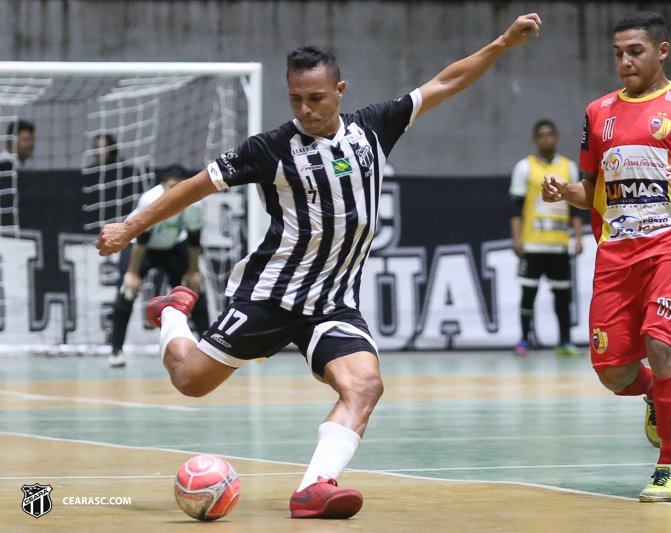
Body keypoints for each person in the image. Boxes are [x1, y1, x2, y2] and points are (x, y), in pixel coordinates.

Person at [96, 13, 543, 519]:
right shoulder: (269, 149)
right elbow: (194, 185)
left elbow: (446, 81)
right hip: (269, 296)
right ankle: (174, 312)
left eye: (316, 98)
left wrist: (504, 42)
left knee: (365, 385)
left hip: (332, 303)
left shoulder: (374, 127)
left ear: (339, 90)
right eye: (295, 99)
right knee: (189, 381)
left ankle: (314, 487)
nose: (305, 110)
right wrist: (129, 227)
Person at [542, 11, 671, 502]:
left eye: (635, 51)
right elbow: (591, 190)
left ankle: (669, 469)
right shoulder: (598, 113)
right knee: (614, 372)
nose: (625, 61)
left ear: (662, 51)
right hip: (616, 254)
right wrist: (564, 190)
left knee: (662, 343)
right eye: (618, 53)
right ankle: (655, 391)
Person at [107, 164, 209, 367]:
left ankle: (209, 348)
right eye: (172, 187)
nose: (177, 192)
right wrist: (132, 273)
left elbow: (194, 240)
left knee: (195, 288)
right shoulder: (150, 200)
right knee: (127, 291)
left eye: (181, 187)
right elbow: (142, 240)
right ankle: (116, 350)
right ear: (162, 186)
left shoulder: (194, 204)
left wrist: (193, 271)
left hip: (172, 246)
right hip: (142, 248)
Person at [510, 119, 583, 357]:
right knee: (528, 294)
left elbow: (575, 206)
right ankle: (523, 340)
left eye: (550, 135)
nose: (546, 139)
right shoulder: (524, 167)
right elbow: (515, 208)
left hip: (559, 244)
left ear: (557, 137)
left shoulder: (569, 167)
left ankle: (565, 342)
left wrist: (578, 237)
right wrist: (517, 238)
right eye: (541, 135)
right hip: (533, 244)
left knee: (563, 296)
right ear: (535, 139)